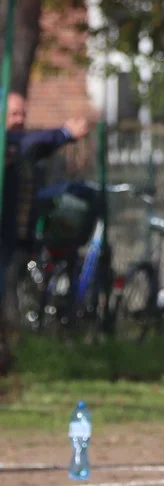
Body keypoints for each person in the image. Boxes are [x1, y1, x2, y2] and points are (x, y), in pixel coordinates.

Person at [2, 92, 89, 373]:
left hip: (14, 236)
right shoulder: (13, 143)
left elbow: (36, 147)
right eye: (13, 114)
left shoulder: (18, 148)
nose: (19, 120)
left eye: (22, 114)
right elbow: (31, 142)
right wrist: (65, 132)